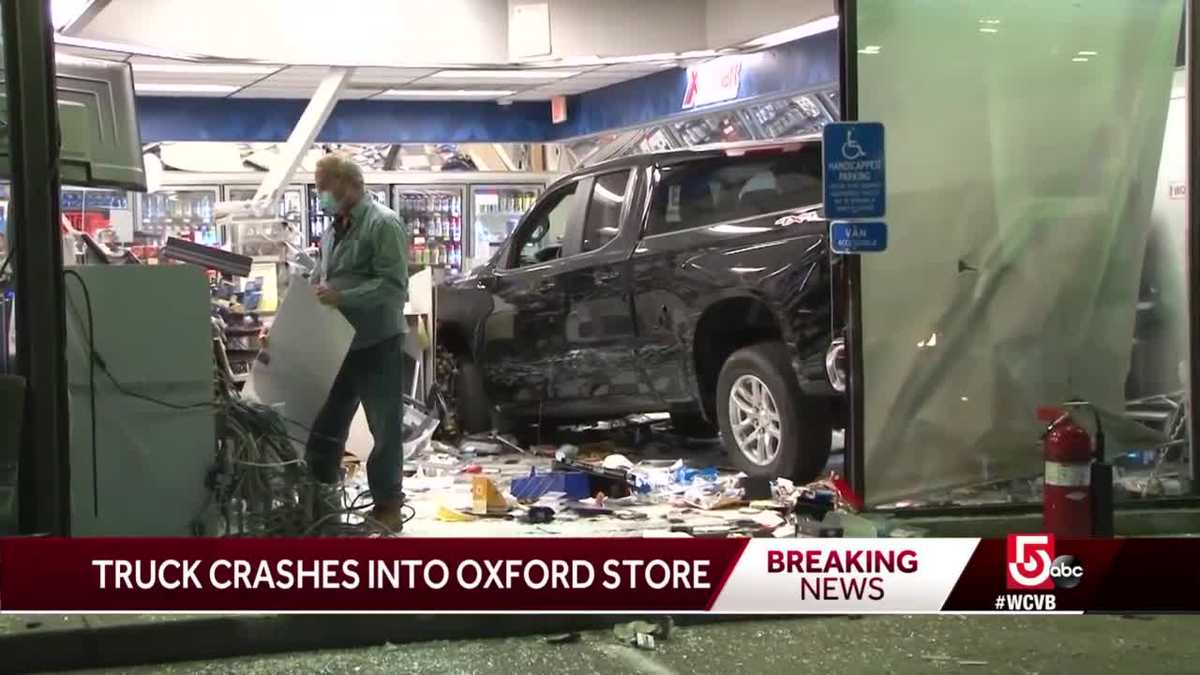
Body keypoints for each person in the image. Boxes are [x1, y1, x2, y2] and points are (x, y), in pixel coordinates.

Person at [306, 153, 410, 531]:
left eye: (324, 187)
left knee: (384, 429)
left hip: (377, 341)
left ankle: (387, 507)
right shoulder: (334, 229)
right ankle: (321, 502)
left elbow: (394, 286)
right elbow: (322, 277)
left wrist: (343, 297)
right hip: (339, 342)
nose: (321, 195)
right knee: (326, 425)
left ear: (348, 185)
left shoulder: (383, 225)